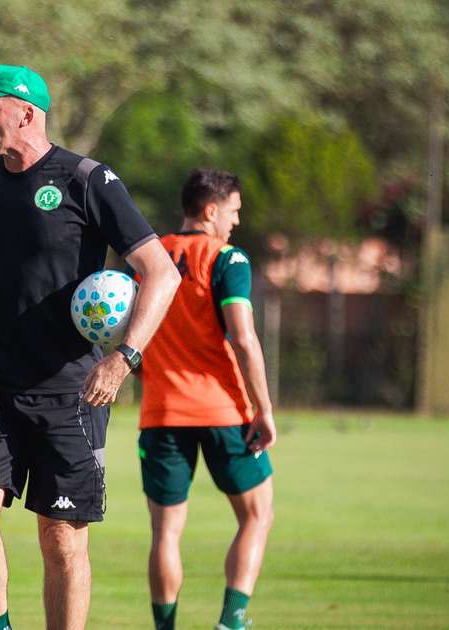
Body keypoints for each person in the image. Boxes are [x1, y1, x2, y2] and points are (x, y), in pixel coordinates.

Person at [0, 64, 180, 630]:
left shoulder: (88, 180)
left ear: (27, 113)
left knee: (60, 541)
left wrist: (124, 357)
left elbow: (160, 272)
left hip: (71, 394)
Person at [134, 169, 276, 630]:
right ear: (211, 210)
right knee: (257, 513)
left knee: (166, 532)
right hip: (223, 410)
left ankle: (165, 627)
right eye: (234, 210)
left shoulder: (148, 257)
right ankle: (231, 621)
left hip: (160, 412)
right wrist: (264, 409)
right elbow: (243, 337)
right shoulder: (228, 260)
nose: (236, 221)